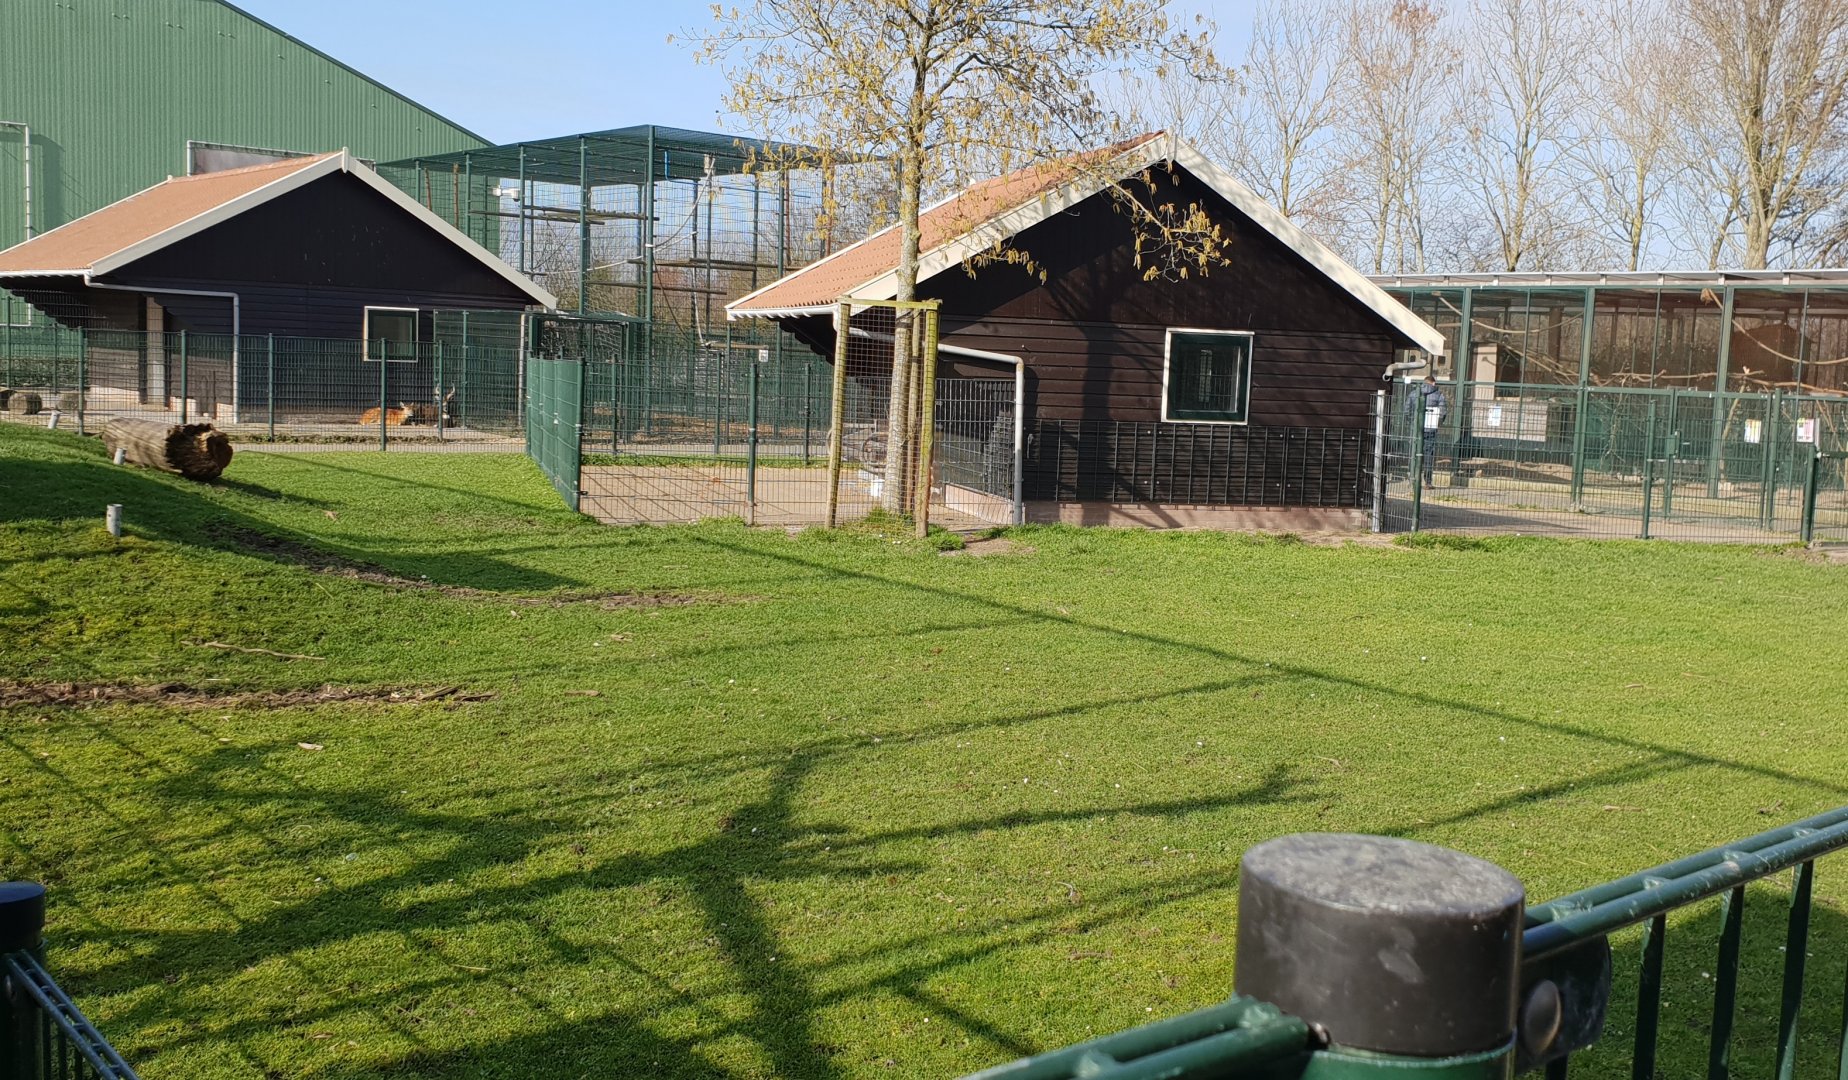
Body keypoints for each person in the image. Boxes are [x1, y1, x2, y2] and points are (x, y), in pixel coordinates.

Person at [1408, 374, 1448, 484]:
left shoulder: (1413, 393)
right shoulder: (1439, 395)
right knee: (1429, 455)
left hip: (1416, 428)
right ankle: (1428, 481)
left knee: (1414, 452)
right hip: (1431, 428)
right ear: (1433, 383)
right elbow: (1443, 412)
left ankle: (1413, 478)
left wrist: (1412, 422)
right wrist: (1438, 423)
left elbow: (1407, 410)